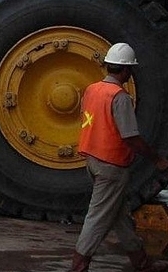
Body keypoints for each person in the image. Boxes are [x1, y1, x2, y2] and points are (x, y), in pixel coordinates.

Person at [70, 43, 168, 272]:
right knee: (97, 217)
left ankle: (140, 262)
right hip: (111, 166)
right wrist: (156, 159)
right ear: (126, 71)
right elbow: (131, 138)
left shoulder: (92, 90)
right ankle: (78, 265)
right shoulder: (120, 97)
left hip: (93, 161)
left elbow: (89, 120)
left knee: (119, 215)